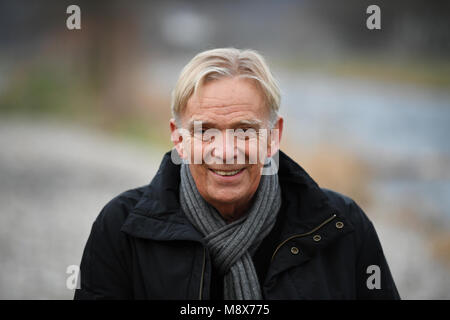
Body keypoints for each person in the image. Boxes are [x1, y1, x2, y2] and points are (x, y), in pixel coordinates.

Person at [74, 48, 400, 300]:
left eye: (245, 130)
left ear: (273, 137)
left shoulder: (342, 227)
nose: (227, 151)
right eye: (206, 131)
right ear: (178, 138)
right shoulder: (121, 229)